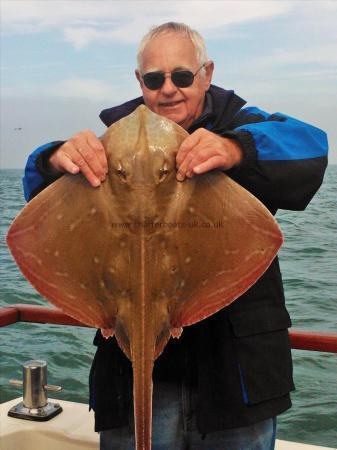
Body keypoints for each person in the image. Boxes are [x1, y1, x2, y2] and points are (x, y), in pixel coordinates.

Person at [22, 22, 328, 450]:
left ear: (206, 74)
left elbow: (312, 146)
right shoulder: (111, 143)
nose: (168, 89)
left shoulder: (241, 123)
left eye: (182, 76)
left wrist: (236, 149)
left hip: (234, 376)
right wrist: (55, 157)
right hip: (129, 369)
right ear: (139, 82)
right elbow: (36, 192)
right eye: (154, 78)